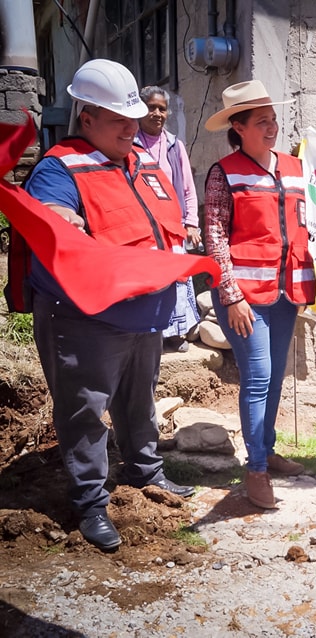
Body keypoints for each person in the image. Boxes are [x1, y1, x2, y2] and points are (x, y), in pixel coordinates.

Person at [25, 59, 195, 552]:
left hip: (144, 313)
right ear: (87, 120)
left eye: (134, 116)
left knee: (139, 399)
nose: (131, 125)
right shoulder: (59, 168)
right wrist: (63, 221)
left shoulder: (144, 164)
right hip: (84, 319)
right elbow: (50, 217)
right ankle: (91, 502)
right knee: (84, 411)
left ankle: (145, 471)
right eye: (118, 118)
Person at [204, 80, 315, 508]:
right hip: (244, 296)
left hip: (286, 292)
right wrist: (230, 296)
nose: (272, 127)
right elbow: (214, 238)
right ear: (239, 126)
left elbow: (307, 224)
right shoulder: (224, 173)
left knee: (272, 381)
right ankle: (255, 472)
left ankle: (266, 449)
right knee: (257, 377)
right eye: (262, 121)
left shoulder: (294, 166)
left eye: (273, 119)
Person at [134, 86, 201, 351]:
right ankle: (152, 335)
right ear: (140, 110)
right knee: (150, 278)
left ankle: (176, 333)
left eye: (162, 109)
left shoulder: (175, 145)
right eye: (151, 107)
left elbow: (187, 187)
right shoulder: (131, 143)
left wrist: (192, 222)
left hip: (172, 224)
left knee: (176, 278)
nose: (157, 114)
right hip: (143, 224)